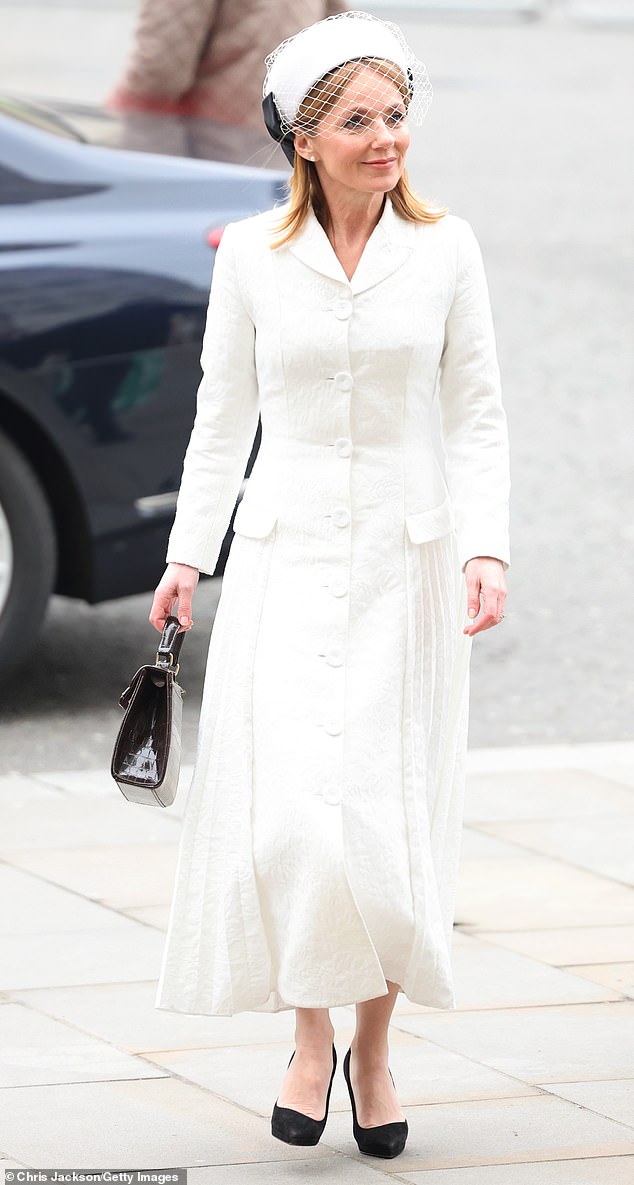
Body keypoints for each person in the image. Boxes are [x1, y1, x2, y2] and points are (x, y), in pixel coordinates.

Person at [149, 10, 510, 1160]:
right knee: (297, 826)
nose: (385, 138)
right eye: (357, 121)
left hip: (405, 572)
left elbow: (477, 415)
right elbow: (220, 422)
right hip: (288, 564)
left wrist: (483, 545)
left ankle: (379, 1048)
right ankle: (311, 1039)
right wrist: (185, 557)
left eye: (396, 115)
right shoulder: (252, 260)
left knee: (390, 829)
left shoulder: (447, 248)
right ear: (303, 140)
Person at [107, 0, 348, 131]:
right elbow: (338, 29)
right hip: (289, 127)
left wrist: (115, 119)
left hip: (214, 136)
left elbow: (160, 70)